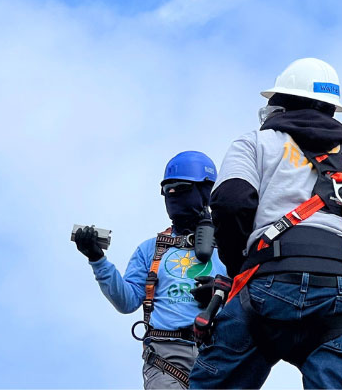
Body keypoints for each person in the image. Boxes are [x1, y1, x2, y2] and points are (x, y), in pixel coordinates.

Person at [191, 58, 342, 390]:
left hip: (267, 284)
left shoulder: (255, 143)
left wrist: (242, 267)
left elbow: (230, 202)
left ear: (283, 103)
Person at [75, 151, 228, 388]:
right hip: (166, 358)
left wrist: (222, 294)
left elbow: (253, 295)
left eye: (181, 189)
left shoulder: (232, 244)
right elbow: (126, 301)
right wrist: (97, 259)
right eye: (168, 191)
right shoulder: (151, 249)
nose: (173, 197)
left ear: (205, 192)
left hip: (220, 353)